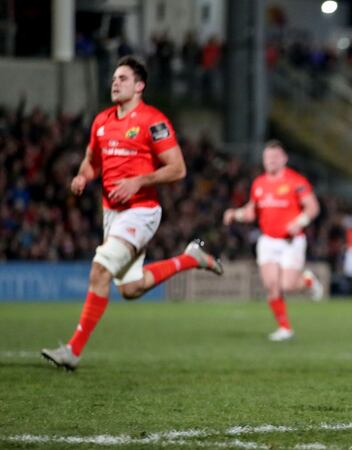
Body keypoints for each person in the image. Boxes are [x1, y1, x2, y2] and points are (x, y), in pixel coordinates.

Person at [41, 56, 223, 371]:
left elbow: (177, 168)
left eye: (123, 78)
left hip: (141, 211)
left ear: (139, 86)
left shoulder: (153, 121)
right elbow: (91, 160)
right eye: (114, 78)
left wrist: (140, 179)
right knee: (130, 288)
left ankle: (72, 350)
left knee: (99, 270)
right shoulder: (101, 121)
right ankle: (190, 258)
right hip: (111, 213)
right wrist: (83, 176)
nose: (115, 83)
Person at [223, 140, 323, 342]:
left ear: (284, 159)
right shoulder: (259, 183)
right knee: (271, 285)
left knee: (287, 286)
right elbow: (252, 212)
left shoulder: (296, 181)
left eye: (275, 157)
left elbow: (313, 207)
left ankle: (308, 281)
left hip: (291, 242)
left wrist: (299, 221)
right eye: (268, 158)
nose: (271, 161)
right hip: (268, 240)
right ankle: (284, 328)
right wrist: (236, 214)